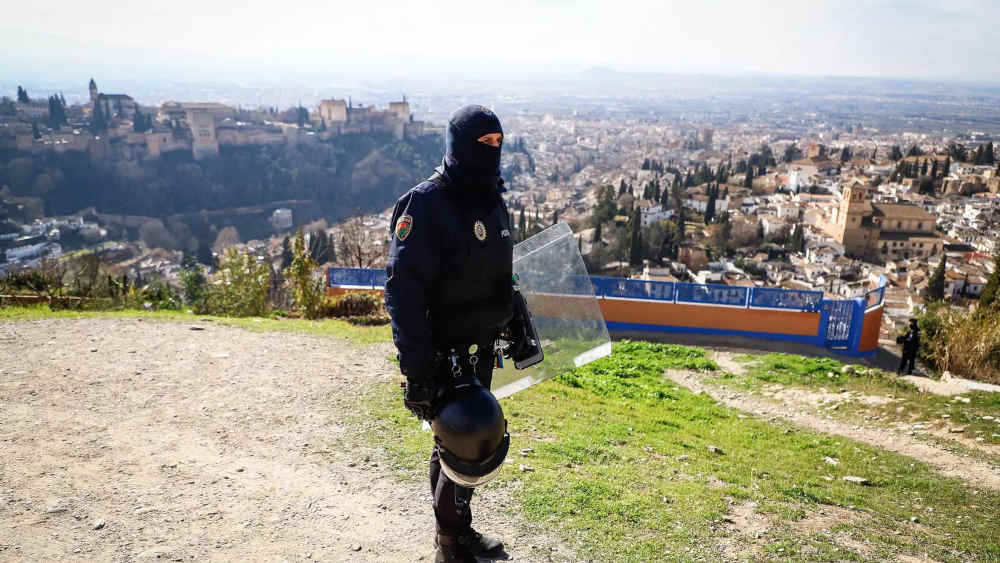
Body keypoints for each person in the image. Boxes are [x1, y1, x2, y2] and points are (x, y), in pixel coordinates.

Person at [385, 105, 514, 562]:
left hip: (481, 349)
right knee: (458, 438)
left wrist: (514, 319)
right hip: (441, 352)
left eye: (498, 142)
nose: (493, 150)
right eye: (484, 142)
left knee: (470, 443)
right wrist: (417, 369)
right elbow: (402, 292)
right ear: (459, 144)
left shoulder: (493, 202)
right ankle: (450, 544)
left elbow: (500, 276)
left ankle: (456, 533)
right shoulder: (425, 204)